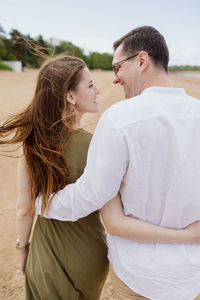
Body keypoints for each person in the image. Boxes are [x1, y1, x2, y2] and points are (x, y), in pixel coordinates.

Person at [35, 26, 200, 299]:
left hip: (139, 277)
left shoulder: (119, 119)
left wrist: (42, 203)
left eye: (117, 68)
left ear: (142, 61)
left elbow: (90, 195)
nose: (114, 79)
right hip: (191, 275)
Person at [1, 55, 109, 299]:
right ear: (70, 96)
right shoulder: (96, 146)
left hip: (47, 255)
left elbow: (25, 209)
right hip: (90, 257)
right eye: (91, 85)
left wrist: (23, 248)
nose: (98, 90)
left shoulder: (32, 144)